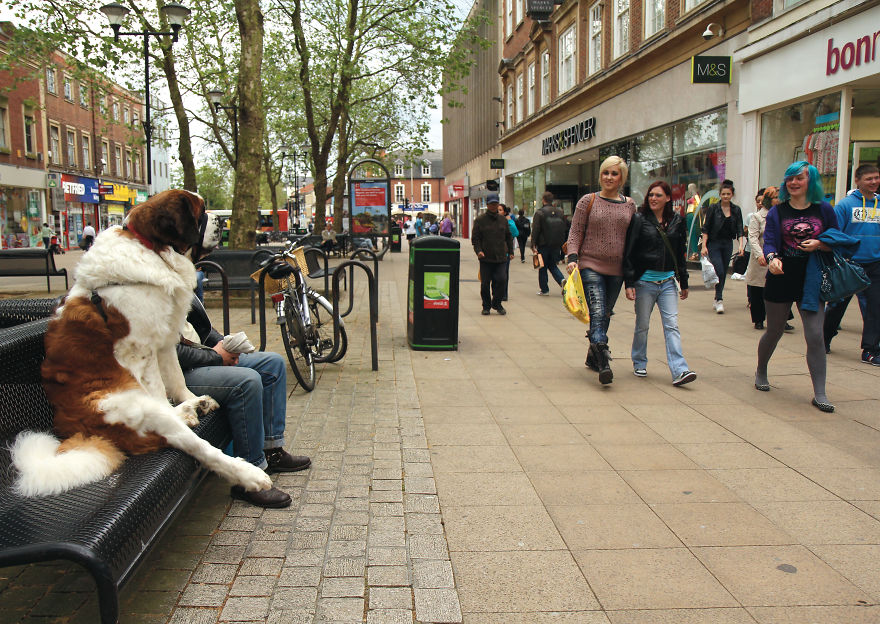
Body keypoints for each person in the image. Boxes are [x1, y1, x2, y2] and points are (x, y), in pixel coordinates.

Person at [177, 295, 311, 508]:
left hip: (203, 354)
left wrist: (224, 345)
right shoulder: (145, 284)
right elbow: (170, 351)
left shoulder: (175, 273)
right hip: (180, 373)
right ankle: (249, 477)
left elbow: (199, 328)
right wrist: (216, 357)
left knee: (273, 364)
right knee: (247, 381)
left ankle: (271, 450)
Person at [756, 161, 838, 413]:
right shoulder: (777, 212)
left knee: (815, 334)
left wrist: (821, 244)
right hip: (781, 274)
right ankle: (761, 370)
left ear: (809, 181)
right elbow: (769, 242)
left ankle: (820, 393)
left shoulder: (824, 209)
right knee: (775, 330)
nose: (793, 183)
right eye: (789, 178)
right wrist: (772, 259)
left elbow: (837, 237)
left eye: (799, 178)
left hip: (812, 276)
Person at [566, 156, 637, 384]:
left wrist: (632, 274)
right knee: (597, 311)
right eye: (606, 173)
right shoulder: (589, 200)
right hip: (590, 265)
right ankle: (604, 358)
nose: (609, 177)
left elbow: (633, 240)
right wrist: (573, 257)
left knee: (605, 313)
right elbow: (576, 231)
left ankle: (592, 355)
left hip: (617, 269)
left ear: (621, 178)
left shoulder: (630, 204)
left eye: (614, 173)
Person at [623, 181, 696, 386]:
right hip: (644, 282)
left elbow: (680, 253)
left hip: (668, 283)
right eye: (651, 195)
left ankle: (680, 370)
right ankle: (639, 360)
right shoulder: (639, 219)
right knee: (643, 325)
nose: (653, 199)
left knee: (672, 325)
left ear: (668, 198)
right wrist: (629, 282)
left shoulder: (677, 221)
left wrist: (684, 280)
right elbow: (629, 251)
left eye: (658, 195)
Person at [823, 163, 880, 363]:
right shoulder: (845, 206)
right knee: (837, 305)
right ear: (857, 181)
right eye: (869, 179)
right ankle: (823, 339)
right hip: (849, 264)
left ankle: (870, 350)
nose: (874, 182)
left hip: (875, 264)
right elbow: (834, 233)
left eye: (876, 178)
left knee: (875, 308)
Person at [701, 180, 744, 313]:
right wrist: (704, 246)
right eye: (723, 194)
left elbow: (740, 230)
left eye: (728, 194)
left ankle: (718, 298)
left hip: (727, 243)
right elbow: (706, 228)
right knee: (719, 270)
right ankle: (719, 299)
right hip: (714, 243)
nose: (726, 196)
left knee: (723, 271)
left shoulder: (736, 210)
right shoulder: (713, 208)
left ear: (732, 195)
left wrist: (741, 246)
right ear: (720, 194)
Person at [472, 193, 514, 315]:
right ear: (487, 205)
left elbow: (508, 236)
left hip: (501, 256)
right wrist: (478, 251)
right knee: (485, 283)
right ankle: (486, 306)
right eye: (491, 204)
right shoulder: (480, 220)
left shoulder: (503, 220)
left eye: (496, 204)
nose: (494, 206)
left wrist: (510, 251)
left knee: (501, 280)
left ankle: (497, 303)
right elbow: (476, 239)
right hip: (485, 257)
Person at [744, 187, 776, 329]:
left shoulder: (780, 216)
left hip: (775, 257)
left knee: (775, 289)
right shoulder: (757, 217)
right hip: (760, 259)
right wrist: (759, 255)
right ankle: (758, 319)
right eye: (775, 197)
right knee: (757, 290)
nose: (779, 200)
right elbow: (752, 237)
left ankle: (782, 318)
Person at [532, 191, 567, 296]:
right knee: (552, 265)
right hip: (556, 244)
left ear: (543, 200)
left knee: (542, 267)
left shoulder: (540, 213)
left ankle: (544, 289)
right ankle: (562, 280)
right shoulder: (560, 212)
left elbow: (536, 229)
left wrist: (533, 244)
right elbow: (564, 228)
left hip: (543, 244)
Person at [500, 204, 518, 302]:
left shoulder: (508, 222)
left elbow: (515, 233)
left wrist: (509, 220)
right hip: (493, 252)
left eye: (500, 210)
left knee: (504, 274)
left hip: (505, 252)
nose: (498, 211)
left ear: (505, 212)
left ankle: (504, 294)